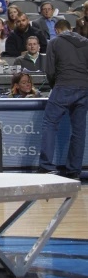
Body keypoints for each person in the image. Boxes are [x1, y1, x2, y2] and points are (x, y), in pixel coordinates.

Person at [39, 18, 88, 180]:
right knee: (79, 131)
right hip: (84, 88)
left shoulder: (55, 41)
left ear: (58, 30)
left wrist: (56, 85)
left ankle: (46, 166)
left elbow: (50, 70)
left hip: (63, 86)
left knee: (50, 124)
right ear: (71, 29)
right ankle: (74, 171)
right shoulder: (86, 42)